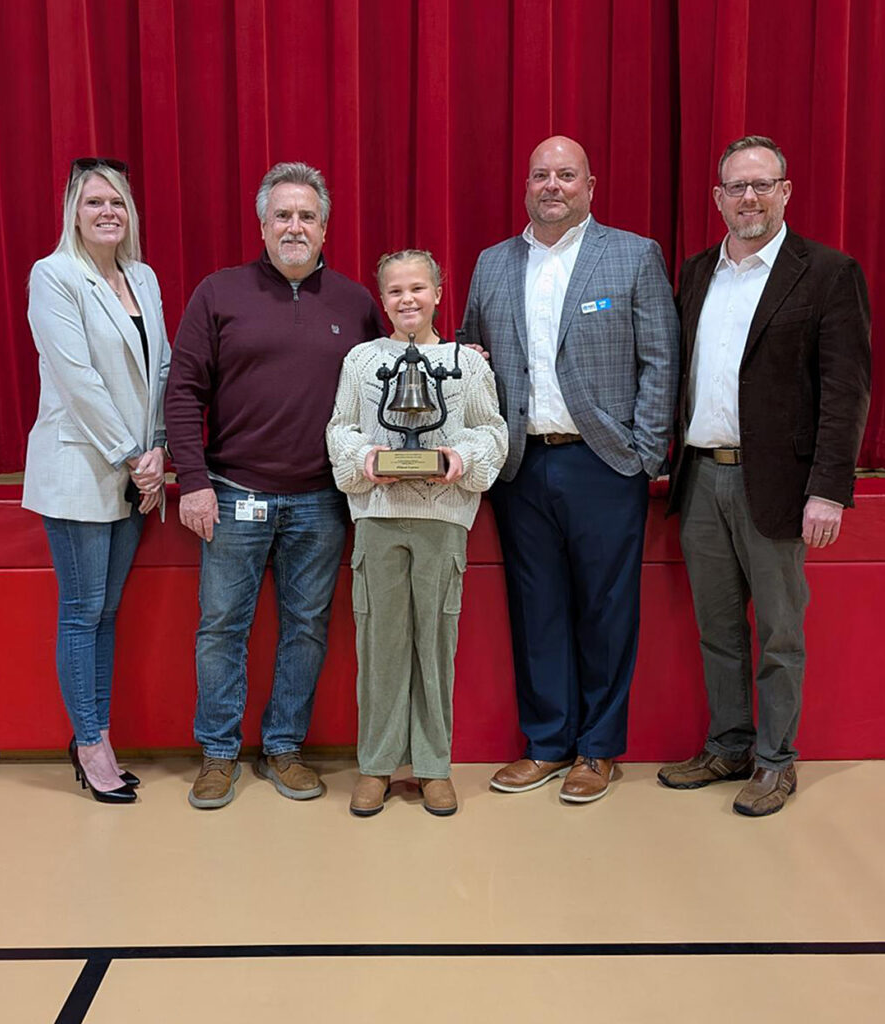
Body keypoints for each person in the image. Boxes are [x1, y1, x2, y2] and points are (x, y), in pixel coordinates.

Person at [461, 135, 679, 803]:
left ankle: (596, 747)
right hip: (521, 467)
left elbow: (660, 361)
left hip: (602, 465)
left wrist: (642, 453)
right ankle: (548, 743)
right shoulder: (492, 264)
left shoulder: (633, 256)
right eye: (539, 175)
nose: (550, 185)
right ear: (525, 186)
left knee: (606, 609)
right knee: (537, 608)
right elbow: (472, 355)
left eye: (565, 174)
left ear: (590, 185)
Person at [659, 135, 871, 816]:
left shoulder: (828, 272)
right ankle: (727, 745)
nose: (747, 198)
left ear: (783, 191)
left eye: (761, 185)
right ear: (717, 198)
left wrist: (829, 489)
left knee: (779, 632)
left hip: (778, 485)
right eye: (734, 187)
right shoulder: (696, 272)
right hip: (700, 481)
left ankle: (776, 761)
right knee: (716, 628)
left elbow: (844, 391)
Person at [165, 161, 384, 810]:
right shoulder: (218, 293)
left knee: (306, 628)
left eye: (307, 216)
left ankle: (283, 747)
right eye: (282, 215)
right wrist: (194, 483)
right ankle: (218, 754)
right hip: (232, 495)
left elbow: (384, 391)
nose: (295, 226)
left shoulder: (355, 302)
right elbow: (183, 393)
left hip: (321, 501)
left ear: (325, 228)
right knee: (221, 628)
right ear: (262, 226)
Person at [327, 250, 508, 817]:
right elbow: (341, 428)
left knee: (435, 643)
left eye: (418, 288)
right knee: (380, 644)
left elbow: (493, 431)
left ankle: (433, 766)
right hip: (378, 519)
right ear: (382, 300)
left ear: (438, 291)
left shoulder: (468, 365)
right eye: (395, 291)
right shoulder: (361, 361)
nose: (408, 299)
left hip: (443, 521)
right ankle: (377, 765)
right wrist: (365, 458)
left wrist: (461, 457)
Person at [23, 157, 171, 803]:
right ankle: (89, 744)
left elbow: (162, 369)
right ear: (73, 214)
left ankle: (96, 732)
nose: (107, 211)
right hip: (82, 467)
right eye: (93, 202)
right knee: (82, 612)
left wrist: (159, 449)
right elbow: (77, 377)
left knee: (107, 612)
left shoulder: (143, 277)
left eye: (117, 201)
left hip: (137, 472)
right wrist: (132, 454)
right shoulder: (54, 276)